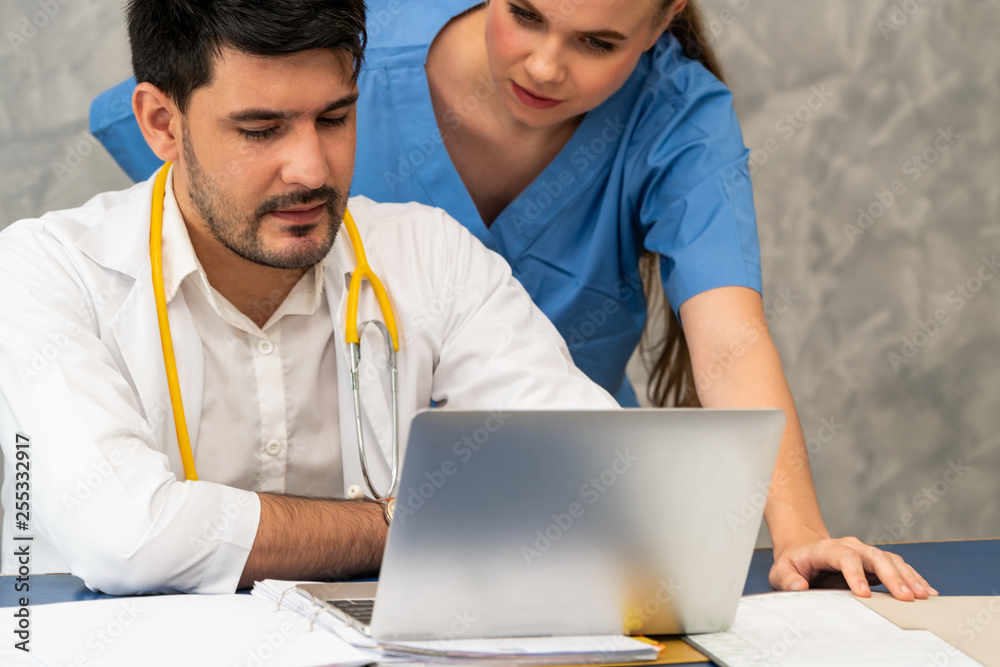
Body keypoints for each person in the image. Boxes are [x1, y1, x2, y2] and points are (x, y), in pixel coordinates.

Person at [89, 2, 933, 600]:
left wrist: (799, 533)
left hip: (539, 507)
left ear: (666, 18)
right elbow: (217, 201)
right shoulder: (337, 64)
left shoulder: (676, 119)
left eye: (598, 40)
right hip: (317, 526)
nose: (543, 65)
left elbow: (728, 337)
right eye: (525, 14)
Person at [0, 0, 620, 595]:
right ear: (163, 124)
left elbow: (597, 482)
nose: (312, 171)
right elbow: (127, 538)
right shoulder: (46, 272)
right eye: (261, 129)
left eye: (333, 120)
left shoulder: (433, 255)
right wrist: (410, 524)